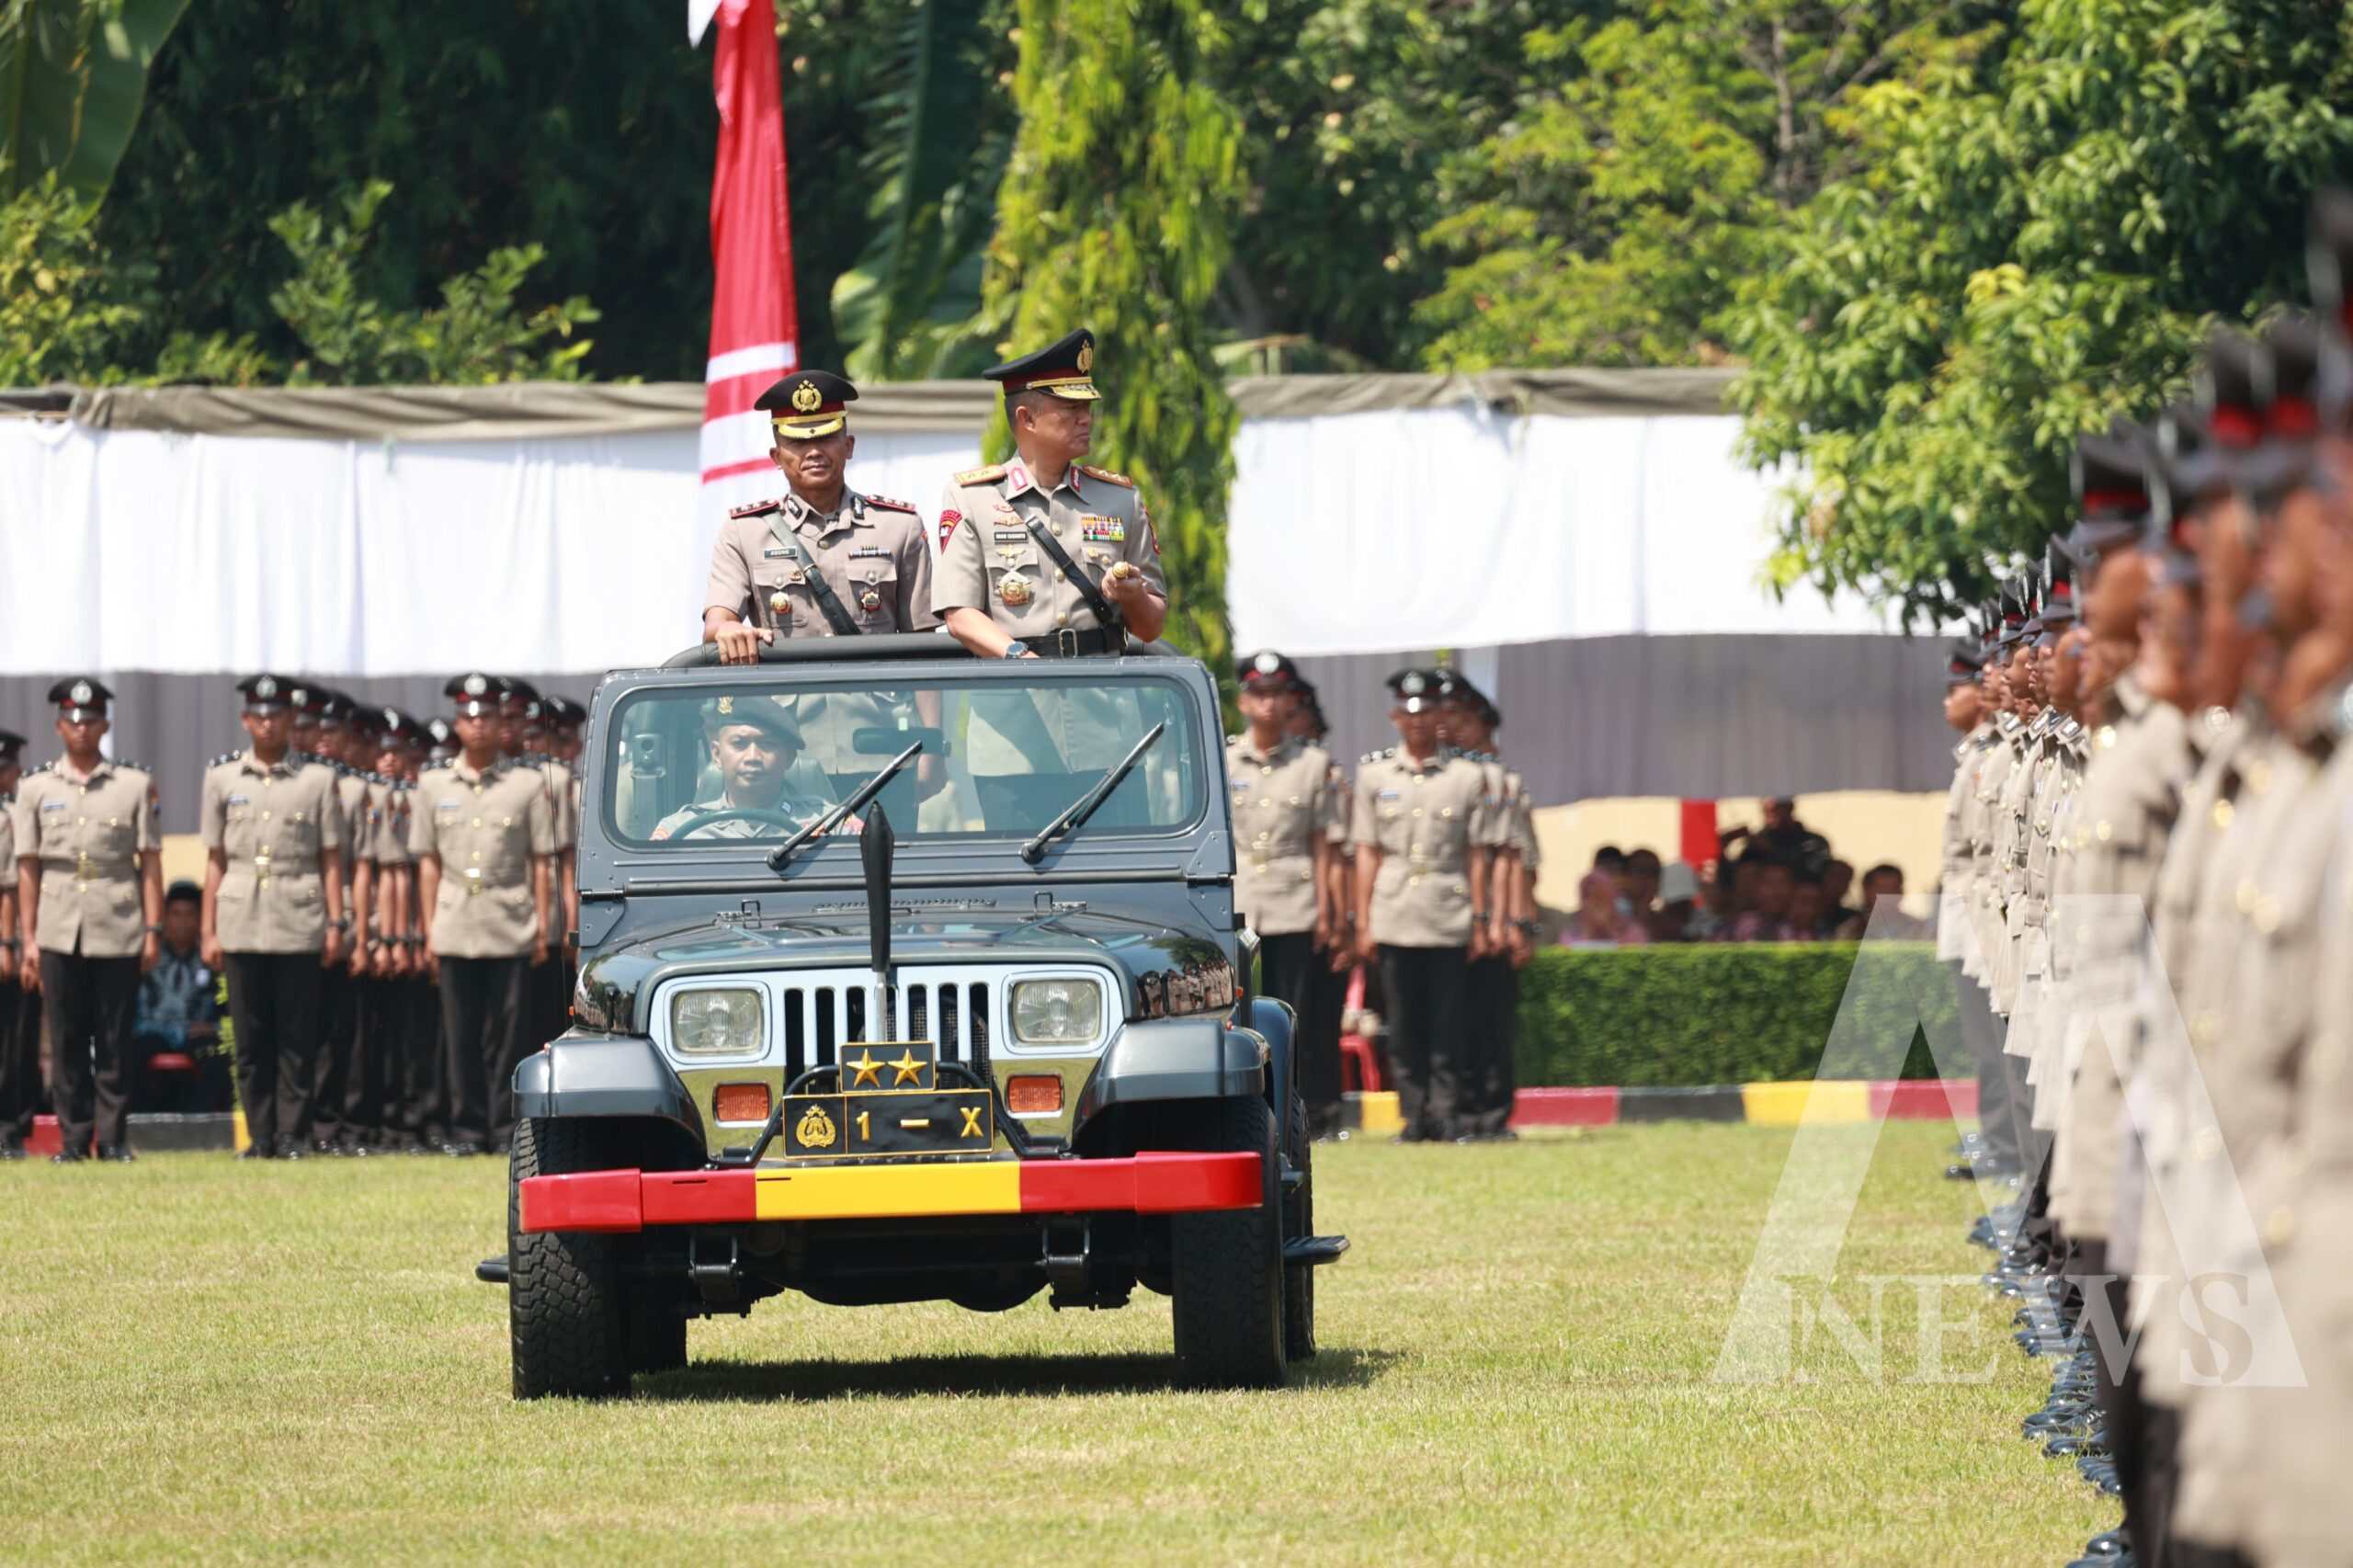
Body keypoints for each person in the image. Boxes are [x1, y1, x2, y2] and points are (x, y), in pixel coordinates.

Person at [933, 329, 1167, 660]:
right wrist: (1020, 658)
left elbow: (1152, 626)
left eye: (1087, 407)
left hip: (1102, 700)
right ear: (1027, 418)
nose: (1086, 419)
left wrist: (1132, 597)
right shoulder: (972, 499)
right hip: (1012, 700)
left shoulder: (1121, 500)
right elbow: (959, 615)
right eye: (1071, 408)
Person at [10, 678, 163, 1162]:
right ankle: (75, 1140)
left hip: (117, 922)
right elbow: (28, 867)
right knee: (68, 1038)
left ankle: (113, 1139)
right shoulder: (35, 788)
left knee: (115, 1038)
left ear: (106, 726)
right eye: (73, 721)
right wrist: (29, 938)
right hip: (58, 926)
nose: (81, 729)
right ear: (59, 726)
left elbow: (151, 863)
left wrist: (152, 931)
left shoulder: (133, 784)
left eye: (91, 721)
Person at [199, 673, 348, 1159]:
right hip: (241, 914)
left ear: (290, 720)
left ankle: (292, 1134)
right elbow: (215, 860)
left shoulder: (317, 779)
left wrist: (334, 923)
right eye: (259, 715)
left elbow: (330, 857)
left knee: (296, 1037)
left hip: (297, 914)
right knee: (249, 1037)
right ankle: (259, 1134)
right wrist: (208, 929)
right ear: (246, 720)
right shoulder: (222, 778)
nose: (267, 723)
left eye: (277, 715)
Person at [409, 673, 555, 1155]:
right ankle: (467, 1128)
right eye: (469, 717)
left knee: (509, 1036)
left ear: (499, 722)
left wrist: (541, 924)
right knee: (459, 1035)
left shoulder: (526, 784)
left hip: (509, 920)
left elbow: (540, 861)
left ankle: (504, 1126)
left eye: (487, 716)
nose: (477, 726)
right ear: (457, 723)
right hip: (454, 922)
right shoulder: (431, 785)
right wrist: (429, 926)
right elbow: (428, 863)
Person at [704, 369, 938, 663]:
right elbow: (717, 623)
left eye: (826, 437)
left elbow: (924, 645)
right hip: (784, 706)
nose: (814, 451)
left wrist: (928, 711)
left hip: (876, 707)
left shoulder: (899, 526)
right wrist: (728, 628)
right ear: (776, 457)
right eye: (799, 443)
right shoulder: (744, 532)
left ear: (849, 446)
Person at [1351, 669, 1495, 1143]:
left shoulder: (1467, 776)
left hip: (1448, 911)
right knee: (1405, 1024)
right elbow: (1367, 851)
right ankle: (1414, 1116)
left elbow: (1478, 853)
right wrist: (1365, 920)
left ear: (1440, 717)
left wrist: (1479, 917)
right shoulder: (1374, 775)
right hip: (1394, 911)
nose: (1418, 722)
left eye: (1428, 712)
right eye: (1409, 713)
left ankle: (1447, 1115)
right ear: (1395, 717)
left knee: (1448, 1024)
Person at [1228, 652, 1342, 1137]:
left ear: (1291, 702)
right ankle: (1247, 1113)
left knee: (1295, 1018)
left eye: (1277, 695)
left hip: (1295, 907)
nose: (1268, 704)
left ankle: (1299, 1115)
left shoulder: (1312, 764)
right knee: (1239, 1016)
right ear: (1243, 701)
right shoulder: (1221, 757)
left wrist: (1331, 914)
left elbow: (1325, 846)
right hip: (1239, 906)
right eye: (1259, 694)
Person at [651, 697, 849, 841]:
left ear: (789, 758)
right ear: (717, 755)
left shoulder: (832, 826)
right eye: (739, 744)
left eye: (767, 744)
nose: (753, 757)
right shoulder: (678, 831)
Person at [133, 881, 227, 1112]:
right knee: (131, 1053)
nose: (182, 922)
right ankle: (138, 1125)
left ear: (200, 919)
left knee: (216, 1055)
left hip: (198, 1034)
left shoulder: (214, 961)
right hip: (153, 1031)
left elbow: (228, 1012)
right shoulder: (148, 959)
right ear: (164, 918)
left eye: (189, 914)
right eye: (175, 914)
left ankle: (202, 1129)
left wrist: (213, 1028)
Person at [0, 726, 35, 1156]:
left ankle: (11, 1130)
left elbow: (13, 885)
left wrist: (9, 942)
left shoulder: (25, 810)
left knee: (17, 1043)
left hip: (14, 941)